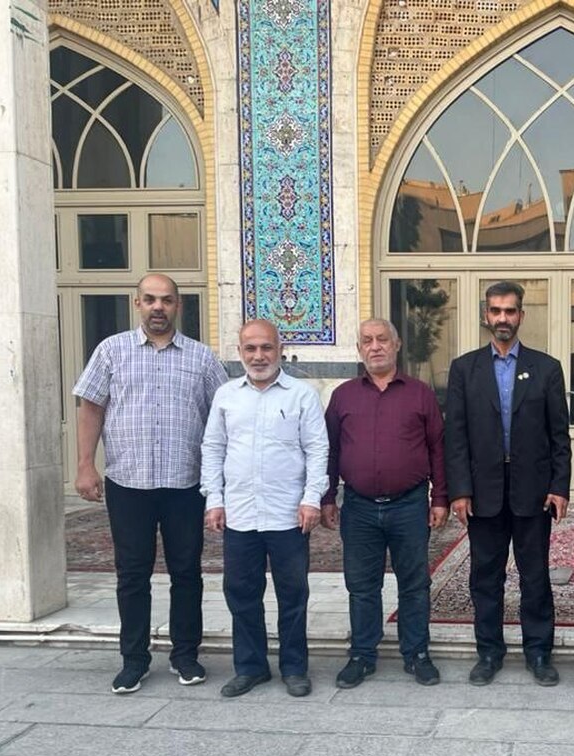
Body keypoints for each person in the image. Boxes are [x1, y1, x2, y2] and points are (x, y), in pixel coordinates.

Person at [73, 273, 228, 694]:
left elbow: (224, 416)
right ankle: (134, 660)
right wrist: (85, 465)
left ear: (179, 305)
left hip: (184, 484)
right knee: (132, 574)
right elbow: (90, 408)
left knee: (187, 572)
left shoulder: (201, 358)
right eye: (150, 299)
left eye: (167, 300)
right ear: (137, 303)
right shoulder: (111, 351)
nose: (158, 307)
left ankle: (186, 655)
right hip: (128, 482)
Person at [444, 280, 571, 686]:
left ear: (521, 316)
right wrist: (460, 490)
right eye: (496, 310)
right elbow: (455, 436)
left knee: (535, 577)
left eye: (510, 311)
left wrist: (559, 486)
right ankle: (488, 652)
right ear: (486, 315)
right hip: (483, 494)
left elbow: (559, 436)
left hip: (533, 492)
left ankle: (539, 652)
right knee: (485, 577)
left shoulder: (547, 368)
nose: (503, 318)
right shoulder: (464, 369)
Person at [201, 320, 329, 698]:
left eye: (266, 348)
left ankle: (294, 668)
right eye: (251, 349)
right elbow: (213, 449)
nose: (259, 356)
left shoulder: (302, 395)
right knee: (241, 593)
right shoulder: (226, 396)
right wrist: (214, 499)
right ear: (240, 352)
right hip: (240, 514)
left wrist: (311, 498)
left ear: (280, 349)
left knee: (293, 594)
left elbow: (317, 449)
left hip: (288, 514)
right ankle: (251, 667)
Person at [320, 318, 449, 689]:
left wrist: (439, 497)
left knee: (414, 584)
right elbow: (330, 449)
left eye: (382, 339)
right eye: (367, 341)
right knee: (362, 586)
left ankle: (417, 654)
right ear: (359, 349)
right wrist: (327, 497)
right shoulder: (343, 396)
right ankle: (362, 655)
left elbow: (438, 448)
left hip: (409, 505)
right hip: (358, 507)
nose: (375, 346)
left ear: (396, 345)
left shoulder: (420, 394)